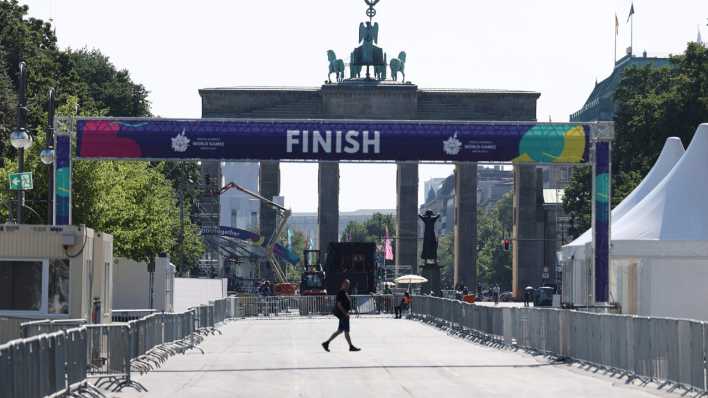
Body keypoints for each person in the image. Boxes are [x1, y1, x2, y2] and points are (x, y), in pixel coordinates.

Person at [322, 279, 361, 352]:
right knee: (346, 331)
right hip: (343, 315)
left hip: (343, 315)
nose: (348, 286)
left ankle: (326, 343)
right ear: (343, 284)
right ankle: (351, 346)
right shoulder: (341, 293)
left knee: (339, 331)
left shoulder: (345, 292)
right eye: (346, 284)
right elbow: (339, 305)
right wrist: (345, 313)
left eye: (348, 284)